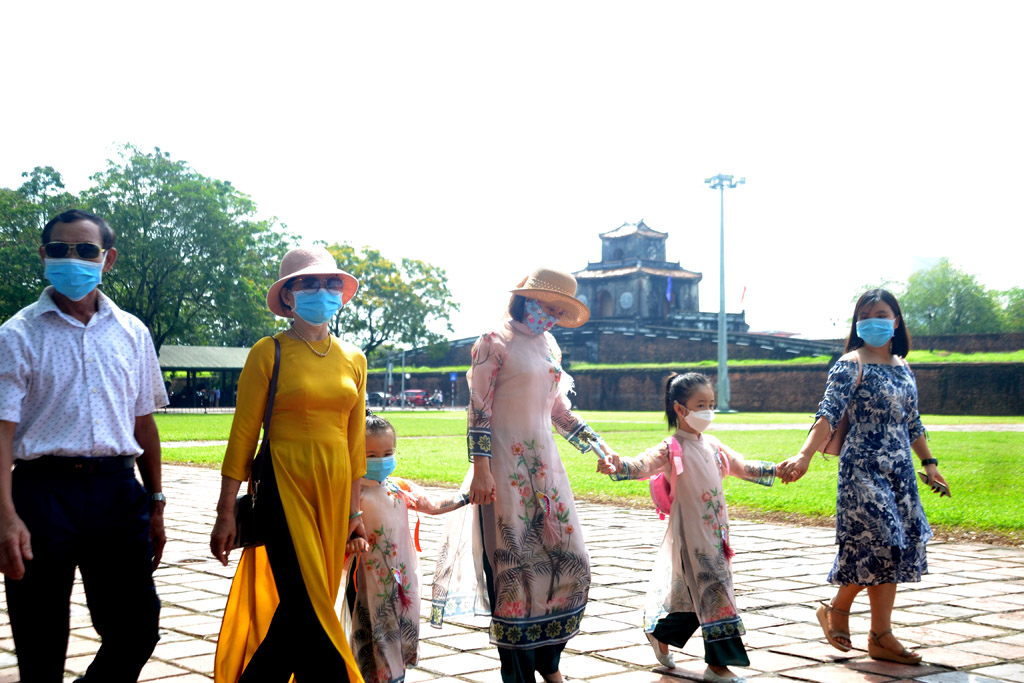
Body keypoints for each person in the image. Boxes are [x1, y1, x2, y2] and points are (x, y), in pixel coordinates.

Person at [0, 209, 168, 682]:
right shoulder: (17, 336)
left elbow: (144, 425)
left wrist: (155, 501)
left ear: (107, 259)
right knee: (40, 641)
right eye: (59, 250)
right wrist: (4, 515)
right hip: (42, 493)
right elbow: (2, 432)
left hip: (117, 491)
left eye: (85, 250)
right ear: (43, 256)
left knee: (137, 629)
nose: (71, 259)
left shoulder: (132, 333)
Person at [431, 267, 618, 683]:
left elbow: (557, 410)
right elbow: (478, 408)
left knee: (571, 564)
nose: (550, 316)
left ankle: (548, 662)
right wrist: (481, 470)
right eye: (547, 306)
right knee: (513, 571)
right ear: (526, 299)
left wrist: (599, 447)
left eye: (558, 310)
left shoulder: (550, 345)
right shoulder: (493, 343)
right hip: (502, 468)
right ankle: (518, 675)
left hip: (546, 468)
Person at [209, 245, 368, 682]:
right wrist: (225, 512)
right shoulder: (269, 351)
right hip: (284, 489)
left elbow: (355, 445)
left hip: (335, 496)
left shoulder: (355, 359)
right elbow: (242, 435)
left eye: (331, 282)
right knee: (307, 607)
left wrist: (356, 513)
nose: (323, 290)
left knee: (304, 615)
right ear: (289, 296)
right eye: (309, 283)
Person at [777, 288, 950, 665]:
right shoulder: (849, 364)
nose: (874, 320)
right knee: (883, 539)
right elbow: (828, 414)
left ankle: (880, 636)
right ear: (858, 323)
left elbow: (912, 421)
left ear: (896, 320)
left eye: (882, 312)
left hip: (900, 469)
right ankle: (839, 610)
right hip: (862, 468)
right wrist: (805, 455)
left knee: (896, 546)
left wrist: (930, 463)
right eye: (866, 314)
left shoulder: (904, 367)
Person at [603, 373, 777, 683]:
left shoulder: (713, 445)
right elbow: (639, 466)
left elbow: (743, 467)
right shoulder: (670, 448)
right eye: (701, 405)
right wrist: (616, 464)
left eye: (711, 404)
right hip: (691, 535)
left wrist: (780, 470)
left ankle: (661, 633)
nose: (708, 411)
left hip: (718, 533)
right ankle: (718, 666)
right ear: (680, 409)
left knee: (701, 595)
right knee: (715, 592)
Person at [342, 412, 470, 683]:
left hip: (402, 583)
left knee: (397, 633)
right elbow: (340, 533)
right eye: (371, 455)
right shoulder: (354, 498)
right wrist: (351, 541)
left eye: (388, 452)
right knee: (374, 635)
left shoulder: (398, 487)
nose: (381, 461)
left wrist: (468, 496)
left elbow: (432, 505)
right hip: (368, 583)